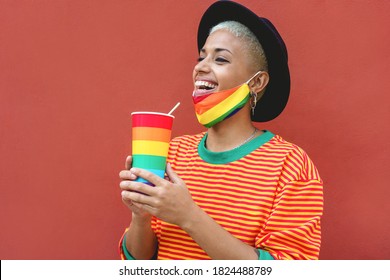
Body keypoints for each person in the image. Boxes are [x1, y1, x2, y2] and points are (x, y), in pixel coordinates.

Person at [119, 0, 323, 260]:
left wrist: (188, 215)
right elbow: (140, 263)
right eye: (201, 56)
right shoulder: (173, 153)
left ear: (257, 82)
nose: (201, 67)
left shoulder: (291, 166)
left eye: (221, 59)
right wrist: (142, 214)